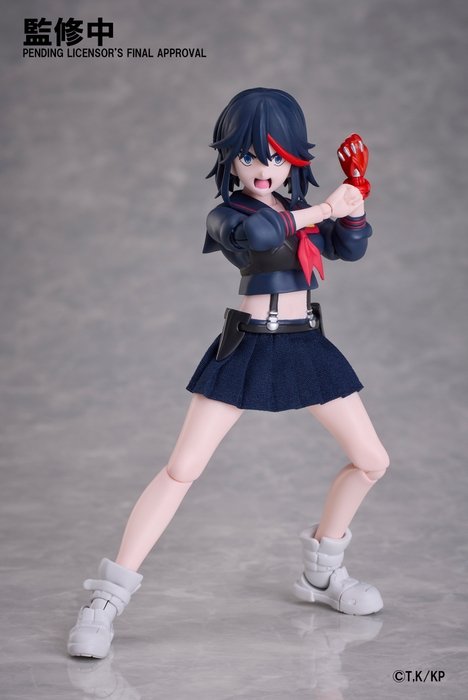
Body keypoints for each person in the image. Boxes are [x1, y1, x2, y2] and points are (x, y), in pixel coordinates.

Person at [68, 88, 389, 659]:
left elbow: (349, 248)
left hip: (304, 343)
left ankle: (322, 572)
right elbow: (264, 237)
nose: (263, 169)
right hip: (246, 345)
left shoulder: (296, 210)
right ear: (229, 160)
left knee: (372, 461)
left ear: (294, 158)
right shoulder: (230, 215)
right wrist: (326, 208)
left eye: (276, 157)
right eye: (248, 156)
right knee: (182, 469)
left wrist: (355, 202)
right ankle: (106, 600)